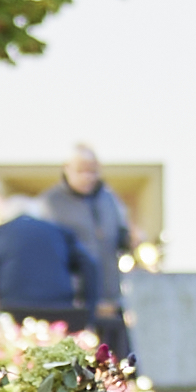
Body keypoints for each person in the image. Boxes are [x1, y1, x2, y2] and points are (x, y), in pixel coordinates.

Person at [0, 190, 107, 336]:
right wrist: (87, 313)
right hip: (60, 314)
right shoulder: (61, 232)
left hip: (11, 314)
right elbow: (90, 265)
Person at [51, 145, 138, 359]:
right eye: (81, 171)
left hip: (110, 299)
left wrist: (133, 238)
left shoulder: (109, 200)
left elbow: (122, 237)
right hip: (73, 304)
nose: (88, 177)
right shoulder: (51, 203)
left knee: (117, 366)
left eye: (93, 171)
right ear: (67, 169)